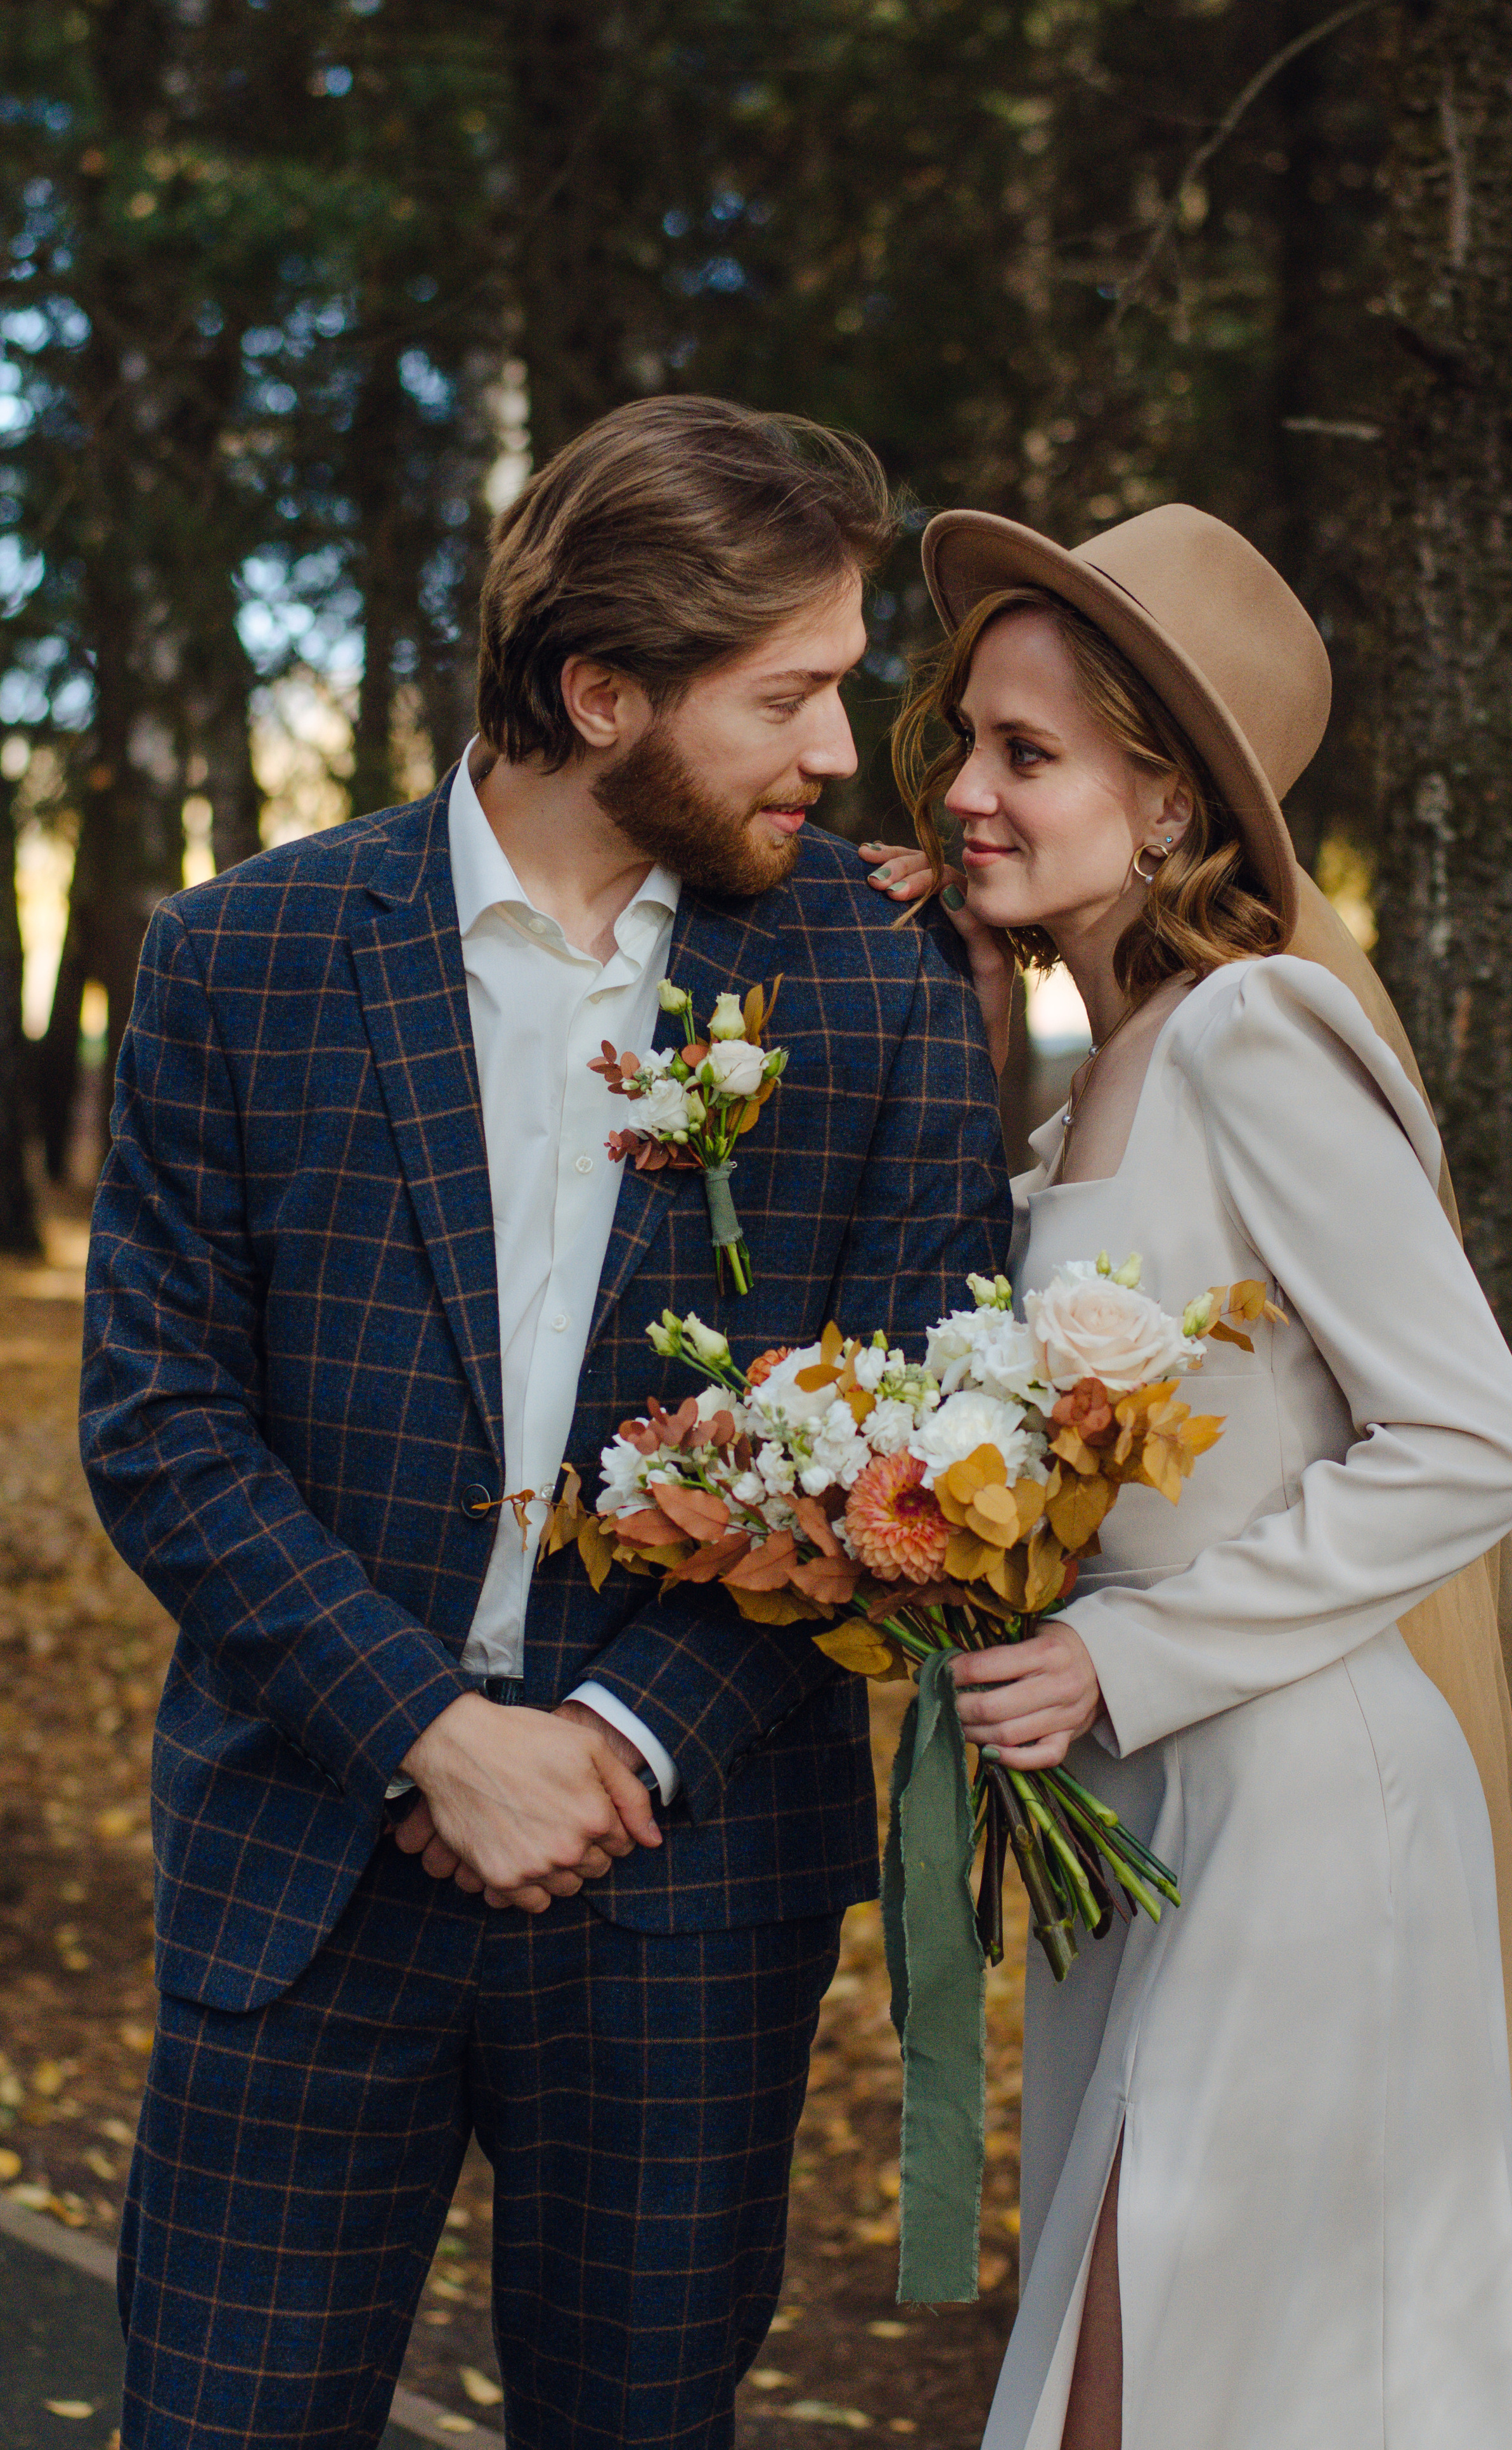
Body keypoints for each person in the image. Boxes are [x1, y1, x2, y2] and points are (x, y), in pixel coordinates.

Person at [81, 394, 1012, 2450]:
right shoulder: (244, 960)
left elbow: (917, 1443)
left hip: (688, 1897)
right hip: (308, 1868)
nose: (841, 752)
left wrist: (610, 1743)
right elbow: (159, 1419)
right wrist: (428, 1730)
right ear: (602, 693)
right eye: (787, 697)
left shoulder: (882, 985)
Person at [860, 503, 1512, 2450]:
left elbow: (1476, 1440)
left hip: (1298, 1823)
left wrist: (1125, 1658)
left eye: (1028, 754)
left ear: (1169, 807)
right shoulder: (1110, 1066)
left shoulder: (1255, 1030)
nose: (965, 791)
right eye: (965, 741)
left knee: (1158, 2389)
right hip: (1149, 1826)